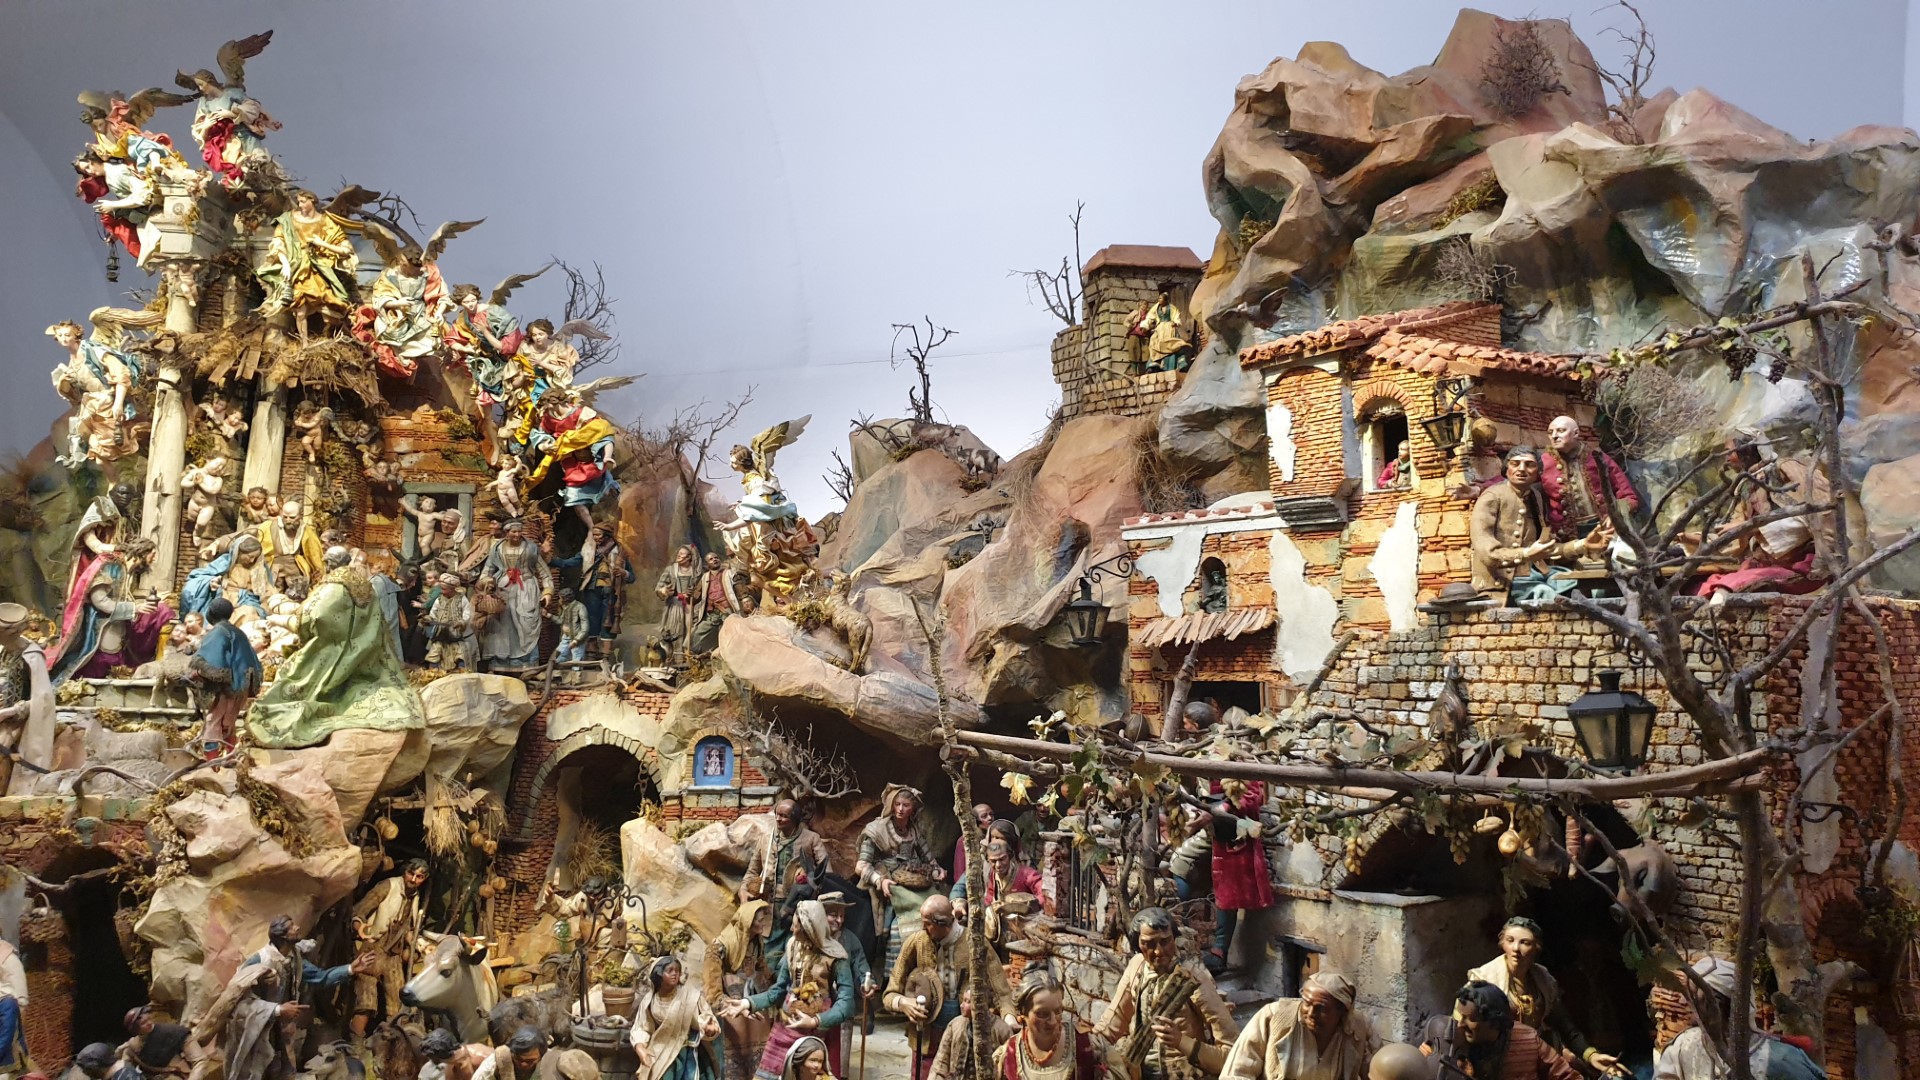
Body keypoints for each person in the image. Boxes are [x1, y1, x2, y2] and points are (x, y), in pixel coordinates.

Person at [247, 547, 424, 749]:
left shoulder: (333, 588)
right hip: (364, 654)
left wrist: (279, 618)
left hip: (331, 652)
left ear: (328, 563)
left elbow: (311, 619)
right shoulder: (363, 584)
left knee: (290, 679)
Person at [1467, 918, 1625, 1076]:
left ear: (1536, 947)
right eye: (1510, 940)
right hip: (1500, 1064)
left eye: (1525, 943)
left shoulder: (1543, 980)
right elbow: (1463, 1027)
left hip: (1538, 1058)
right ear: (1502, 943)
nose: (1516, 948)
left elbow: (1565, 1026)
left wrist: (1591, 1055)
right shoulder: (1484, 979)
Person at [1094, 907, 1237, 1080]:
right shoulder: (1136, 967)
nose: (1158, 951)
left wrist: (1181, 1041)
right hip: (1139, 1072)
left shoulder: (1194, 978)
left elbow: (1232, 1053)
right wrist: (1091, 1044)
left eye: (1165, 941)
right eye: (1149, 944)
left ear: (1174, 939)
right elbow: (1114, 1019)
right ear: (1138, 943)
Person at [882, 895, 1014, 1080]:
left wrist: (1008, 1020)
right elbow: (890, 992)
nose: (923, 928)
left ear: (943, 923)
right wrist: (902, 1002)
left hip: (965, 1035)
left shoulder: (975, 943)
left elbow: (1002, 992)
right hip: (927, 1035)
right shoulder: (917, 942)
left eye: (927, 924)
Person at [726, 900, 856, 1080]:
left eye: (795, 926)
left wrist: (815, 1021)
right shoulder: (793, 946)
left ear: (808, 929)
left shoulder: (835, 956)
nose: (791, 930)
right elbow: (778, 990)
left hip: (816, 1031)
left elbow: (846, 1002)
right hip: (786, 1025)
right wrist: (748, 1003)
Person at [1469, 447, 1610, 604]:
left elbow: (1546, 547)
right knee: (1546, 594)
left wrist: (1582, 545)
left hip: (1539, 573)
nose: (1522, 469)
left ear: (1538, 472)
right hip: (1505, 580)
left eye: (1529, 465)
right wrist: (1526, 554)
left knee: (1582, 587)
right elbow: (1487, 554)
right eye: (1515, 464)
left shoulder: (1536, 497)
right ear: (1506, 468)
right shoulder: (1491, 497)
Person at [1693, 440, 1832, 600]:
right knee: (1707, 586)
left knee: (1730, 585)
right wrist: (1689, 538)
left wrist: (1752, 527)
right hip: (1765, 563)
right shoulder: (1746, 485)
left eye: (1730, 452)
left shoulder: (1783, 468)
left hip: (1800, 565)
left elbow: (1817, 510)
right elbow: (1736, 535)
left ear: (1747, 450)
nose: (1727, 458)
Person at [1653, 958, 1822, 1079]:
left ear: (1718, 1005)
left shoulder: (1780, 1060)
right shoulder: (1684, 1046)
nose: (1684, 1002)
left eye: (1694, 996)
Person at [857, 785, 948, 976]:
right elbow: (861, 865)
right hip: (889, 882)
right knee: (895, 927)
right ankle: (895, 972)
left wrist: (937, 871)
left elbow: (929, 860)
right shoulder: (876, 830)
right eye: (897, 804)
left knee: (939, 907)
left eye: (905, 805)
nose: (900, 809)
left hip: (915, 879)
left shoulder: (913, 830)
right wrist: (879, 880)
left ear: (912, 808)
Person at [1221, 970, 1377, 1080]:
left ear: (1342, 1012)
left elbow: (1378, 1071)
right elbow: (1236, 1072)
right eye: (1306, 1003)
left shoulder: (1357, 1029)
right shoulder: (1273, 1016)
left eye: (1321, 1008)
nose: (1311, 1013)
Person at [1420, 981, 1579, 1080]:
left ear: (1494, 1022)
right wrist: (1425, 1060)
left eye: (1470, 1019)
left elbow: (1565, 1075)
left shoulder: (1528, 1039)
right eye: (1461, 1016)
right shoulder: (1453, 1040)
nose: (1460, 1025)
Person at [256, 190, 357, 343]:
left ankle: (330, 338)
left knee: (329, 309)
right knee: (300, 310)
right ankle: (304, 344)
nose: (300, 204)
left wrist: (321, 244)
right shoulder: (288, 219)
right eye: (299, 201)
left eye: (303, 201)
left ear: (312, 201)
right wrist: (285, 264)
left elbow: (345, 248)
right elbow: (278, 243)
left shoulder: (325, 221)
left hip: (319, 268)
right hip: (297, 267)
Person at [350, 860, 430, 1043]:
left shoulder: (415, 897)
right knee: (366, 1003)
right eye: (411, 874)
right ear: (405, 872)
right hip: (372, 950)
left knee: (398, 1006)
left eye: (419, 877)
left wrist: (420, 944)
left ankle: (389, 1046)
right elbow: (359, 911)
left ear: (424, 879)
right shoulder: (387, 886)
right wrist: (359, 927)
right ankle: (355, 1045)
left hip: (393, 956)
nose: (413, 879)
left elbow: (408, 930)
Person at [989, 969, 1104, 1080]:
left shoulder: (1085, 1045)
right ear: (1023, 1015)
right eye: (1042, 1014)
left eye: (1058, 1011)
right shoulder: (1009, 1055)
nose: (1053, 1021)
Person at [1206, 780, 1271, 972]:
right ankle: (1215, 948)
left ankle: (1220, 952)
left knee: (1229, 895)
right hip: (1219, 835)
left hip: (1239, 840)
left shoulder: (1245, 774)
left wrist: (1227, 806)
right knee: (1222, 892)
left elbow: (1253, 796)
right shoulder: (1215, 770)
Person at [1539, 416, 1639, 540]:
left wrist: (1616, 516)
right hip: (1564, 536)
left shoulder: (1597, 458)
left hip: (1604, 530)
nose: (1554, 436)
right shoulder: (1543, 462)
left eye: (1561, 431)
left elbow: (1627, 496)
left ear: (1576, 433)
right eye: (1550, 432)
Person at [707, 902, 775, 1080]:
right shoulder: (719, 947)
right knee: (732, 1061)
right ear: (748, 921)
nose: (763, 923)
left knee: (759, 1056)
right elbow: (712, 990)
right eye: (759, 920)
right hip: (729, 1008)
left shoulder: (756, 942)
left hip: (752, 1002)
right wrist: (730, 1004)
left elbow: (762, 969)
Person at [188, 598, 263, 751]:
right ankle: (229, 757)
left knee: (213, 722)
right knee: (228, 723)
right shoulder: (238, 632)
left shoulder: (218, 632)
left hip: (229, 686)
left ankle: (213, 760)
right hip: (242, 684)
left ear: (210, 612)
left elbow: (214, 662)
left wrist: (198, 673)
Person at [548, 524, 633, 656]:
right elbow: (570, 562)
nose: (596, 537)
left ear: (607, 535)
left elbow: (631, 577)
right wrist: (550, 560)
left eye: (598, 534)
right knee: (591, 619)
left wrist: (623, 573)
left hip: (611, 591)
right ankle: (591, 650)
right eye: (594, 535)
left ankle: (605, 654)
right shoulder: (588, 550)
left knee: (608, 621)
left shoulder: (620, 552)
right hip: (592, 590)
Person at [632, 956, 720, 1080]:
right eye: (670, 971)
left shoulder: (690, 996)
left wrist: (709, 1028)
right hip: (660, 1050)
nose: (674, 974)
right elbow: (642, 1027)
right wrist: (640, 1047)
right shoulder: (650, 1001)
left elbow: (705, 1018)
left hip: (687, 1051)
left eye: (677, 971)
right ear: (659, 974)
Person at [0, 603, 55, 797]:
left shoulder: (31, 656)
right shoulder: (4, 651)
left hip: (15, 723)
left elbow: (43, 700)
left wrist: (9, 712)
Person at [480, 520, 552, 668]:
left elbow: (544, 572)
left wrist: (547, 592)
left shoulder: (530, 549)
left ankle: (527, 661)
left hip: (526, 589)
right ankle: (501, 662)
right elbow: (487, 571)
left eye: (519, 531)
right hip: (503, 590)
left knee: (526, 624)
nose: (517, 534)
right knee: (502, 625)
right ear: (506, 533)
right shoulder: (497, 550)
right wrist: (488, 583)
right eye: (514, 531)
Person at [744, 802, 834, 910]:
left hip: (799, 902)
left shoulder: (811, 838)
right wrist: (743, 889)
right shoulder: (766, 838)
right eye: (777, 814)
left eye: (783, 816)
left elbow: (827, 872)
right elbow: (752, 871)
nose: (778, 819)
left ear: (794, 818)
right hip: (768, 903)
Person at [258, 501, 328, 592]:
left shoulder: (306, 530)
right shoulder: (267, 527)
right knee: (273, 593)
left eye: (292, 517)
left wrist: (319, 573)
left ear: (300, 515)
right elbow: (258, 548)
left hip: (296, 567)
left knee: (298, 593)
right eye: (285, 517)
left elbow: (314, 554)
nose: (288, 520)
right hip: (274, 568)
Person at [118, 1005, 202, 1080]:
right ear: (135, 1029)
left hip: (176, 1075)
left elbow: (200, 1060)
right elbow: (124, 1070)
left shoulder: (174, 1032)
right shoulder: (132, 1047)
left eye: (149, 1019)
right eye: (143, 1023)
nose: (149, 1023)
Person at [689, 553, 745, 656]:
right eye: (711, 559)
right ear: (707, 564)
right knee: (696, 634)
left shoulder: (730, 573)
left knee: (732, 634)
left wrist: (745, 601)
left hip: (727, 611)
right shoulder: (704, 578)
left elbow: (741, 592)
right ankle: (698, 656)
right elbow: (696, 597)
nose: (714, 560)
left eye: (716, 557)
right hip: (711, 614)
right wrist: (691, 595)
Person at [1129, 289, 1196, 373]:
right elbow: (1150, 317)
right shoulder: (1156, 308)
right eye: (1159, 298)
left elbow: (1176, 316)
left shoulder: (1171, 308)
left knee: (1170, 345)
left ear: (1165, 300)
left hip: (1169, 328)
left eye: (1161, 298)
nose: (1159, 300)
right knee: (1155, 344)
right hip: (1160, 329)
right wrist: (1145, 326)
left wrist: (1175, 322)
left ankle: (1171, 366)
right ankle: (1155, 365)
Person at [423, 573, 479, 672]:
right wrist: (429, 619)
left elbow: (467, 613)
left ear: (452, 589)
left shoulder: (462, 599)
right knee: (435, 651)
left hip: (456, 634)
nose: (441, 591)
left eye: (444, 589)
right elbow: (433, 612)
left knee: (460, 653)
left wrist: (461, 622)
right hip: (441, 633)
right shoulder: (439, 599)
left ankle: (461, 669)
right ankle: (434, 671)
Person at [656, 546, 701, 663]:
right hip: (676, 604)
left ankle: (691, 660)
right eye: (679, 553)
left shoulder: (696, 572)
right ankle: (677, 660)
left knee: (692, 630)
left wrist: (695, 593)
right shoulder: (670, 570)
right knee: (676, 631)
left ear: (689, 557)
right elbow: (659, 588)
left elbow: (701, 588)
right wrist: (664, 590)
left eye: (682, 553)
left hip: (693, 605)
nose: (679, 555)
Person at [473, 1028, 547, 1080]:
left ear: (541, 1056)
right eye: (518, 1059)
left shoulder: (549, 1062)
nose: (523, 1064)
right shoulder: (493, 1065)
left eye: (529, 1061)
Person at [952, 804, 995, 885]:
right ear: (976, 820)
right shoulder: (966, 840)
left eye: (991, 814)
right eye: (984, 816)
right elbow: (959, 872)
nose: (990, 818)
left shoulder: (996, 836)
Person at [554, 589, 590, 664]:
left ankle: (576, 671)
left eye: (560, 598)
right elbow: (561, 621)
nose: (559, 600)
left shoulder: (580, 607)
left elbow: (585, 628)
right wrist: (549, 615)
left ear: (565, 599)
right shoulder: (565, 607)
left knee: (577, 660)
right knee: (560, 656)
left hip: (576, 638)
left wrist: (576, 640)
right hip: (566, 637)